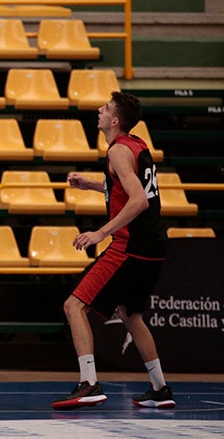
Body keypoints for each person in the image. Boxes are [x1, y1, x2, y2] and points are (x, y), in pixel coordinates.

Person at [54, 91, 173, 411]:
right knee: (130, 314)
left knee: (74, 306)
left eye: (105, 108)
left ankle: (89, 383)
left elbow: (139, 200)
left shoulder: (119, 151)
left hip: (130, 245)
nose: (99, 110)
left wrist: (100, 233)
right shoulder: (136, 144)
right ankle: (161, 388)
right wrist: (92, 185)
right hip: (154, 244)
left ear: (115, 120)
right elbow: (130, 185)